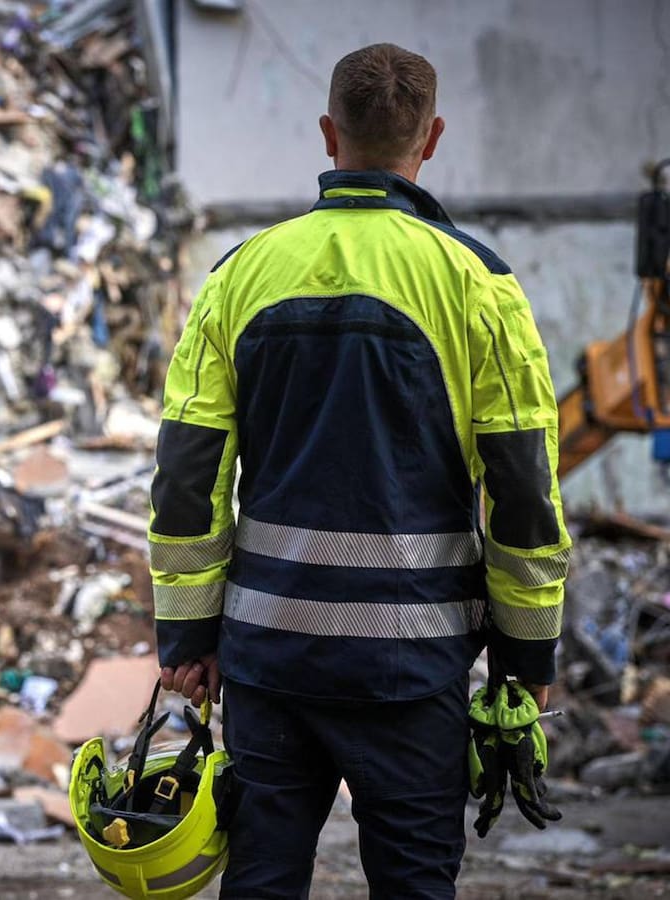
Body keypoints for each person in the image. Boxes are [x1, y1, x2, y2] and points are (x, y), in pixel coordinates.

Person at [148, 43, 570, 899]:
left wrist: (188, 638)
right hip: (412, 668)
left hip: (271, 657)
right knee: (415, 883)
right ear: (434, 137)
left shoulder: (240, 274)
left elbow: (188, 472)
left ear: (328, 133)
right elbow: (524, 488)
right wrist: (528, 653)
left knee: (262, 878)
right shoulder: (477, 283)